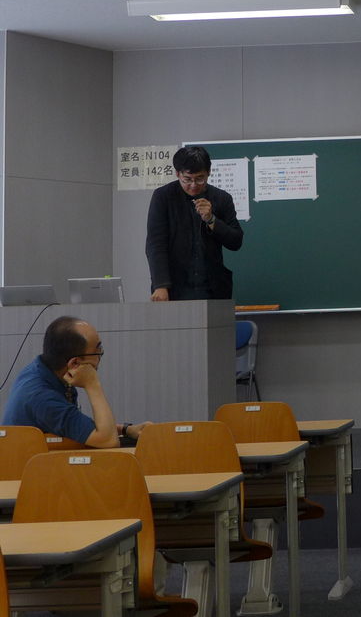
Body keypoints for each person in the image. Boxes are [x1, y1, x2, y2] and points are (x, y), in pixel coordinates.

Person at [1, 316, 150, 447]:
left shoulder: (44, 369)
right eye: (98, 351)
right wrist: (93, 385)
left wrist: (125, 429)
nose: (100, 355)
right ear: (75, 363)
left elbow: (75, 425)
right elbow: (108, 441)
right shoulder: (42, 397)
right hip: (25, 466)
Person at [146, 145, 243, 301]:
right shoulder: (163, 197)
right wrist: (160, 285)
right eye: (187, 179)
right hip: (174, 287)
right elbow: (155, 244)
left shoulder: (221, 198)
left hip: (213, 288)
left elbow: (236, 241)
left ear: (209, 172)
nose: (193, 185)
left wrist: (211, 220)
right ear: (178, 174)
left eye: (200, 178)